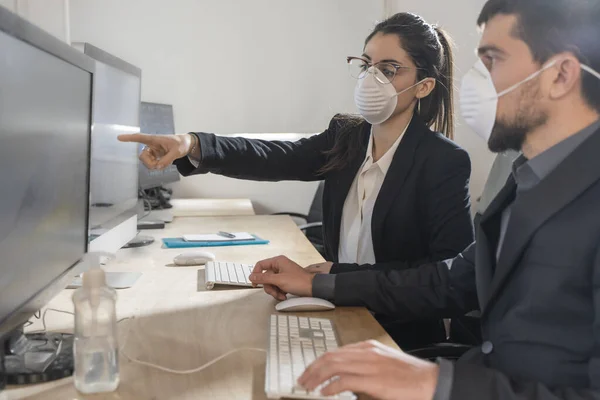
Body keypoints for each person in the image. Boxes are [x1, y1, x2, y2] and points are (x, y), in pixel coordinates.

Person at [249, 0, 600, 398]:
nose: (476, 80)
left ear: (562, 75)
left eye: (492, 59)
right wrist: (321, 283)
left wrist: (435, 382)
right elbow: (447, 281)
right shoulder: (529, 178)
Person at [119, 12, 474, 348]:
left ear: (423, 86)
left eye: (389, 69)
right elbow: (274, 156)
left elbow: (445, 278)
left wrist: (335, 278)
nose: (372, 78)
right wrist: (191, 145)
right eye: (366, 65)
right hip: (335, 306)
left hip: (396, 332)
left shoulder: (444, 162)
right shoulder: (347, 137)